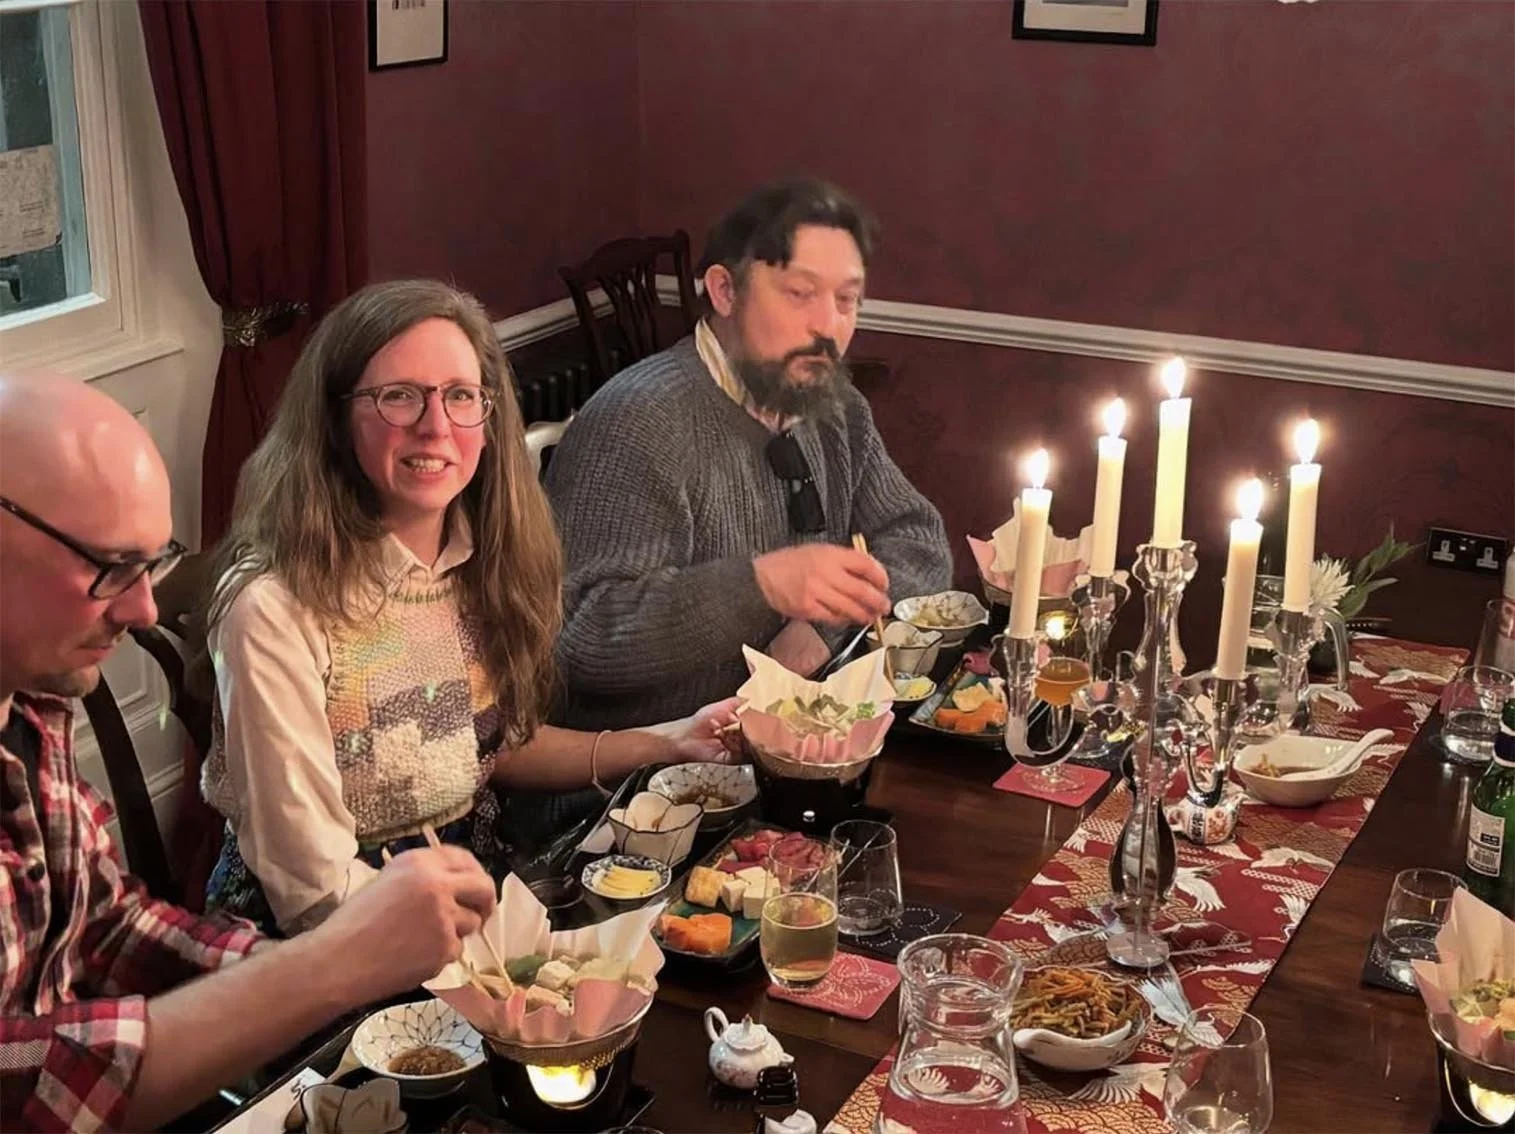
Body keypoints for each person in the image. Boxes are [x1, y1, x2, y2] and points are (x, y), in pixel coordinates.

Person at [0, 372, 496, 1133]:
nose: (143, 610)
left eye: (152, 564)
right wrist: (329, 967)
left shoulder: (30, 703)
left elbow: (104, 927)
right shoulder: (271, 606)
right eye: (109, 567)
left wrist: (301, 968)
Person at [200, 279, 739, 937]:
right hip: (321, 940)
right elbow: (311, 890)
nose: (435, 426)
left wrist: (671, 740)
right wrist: (498, 966)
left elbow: (487, 748)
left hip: (472, 892)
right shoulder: (274, 609)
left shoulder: (478, 560)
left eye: (460, 396)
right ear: (334, 418)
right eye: (399, 396)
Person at [546, 178, 953, 729]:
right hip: (651, 767)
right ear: (724, 291)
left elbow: (920, 543)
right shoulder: (636, 421)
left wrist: (821, 625)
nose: (828, 326)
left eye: (846, 300)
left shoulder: (835, 407)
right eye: (800, 293)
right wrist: (759, 587)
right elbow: (578, 641)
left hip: (799, 741)